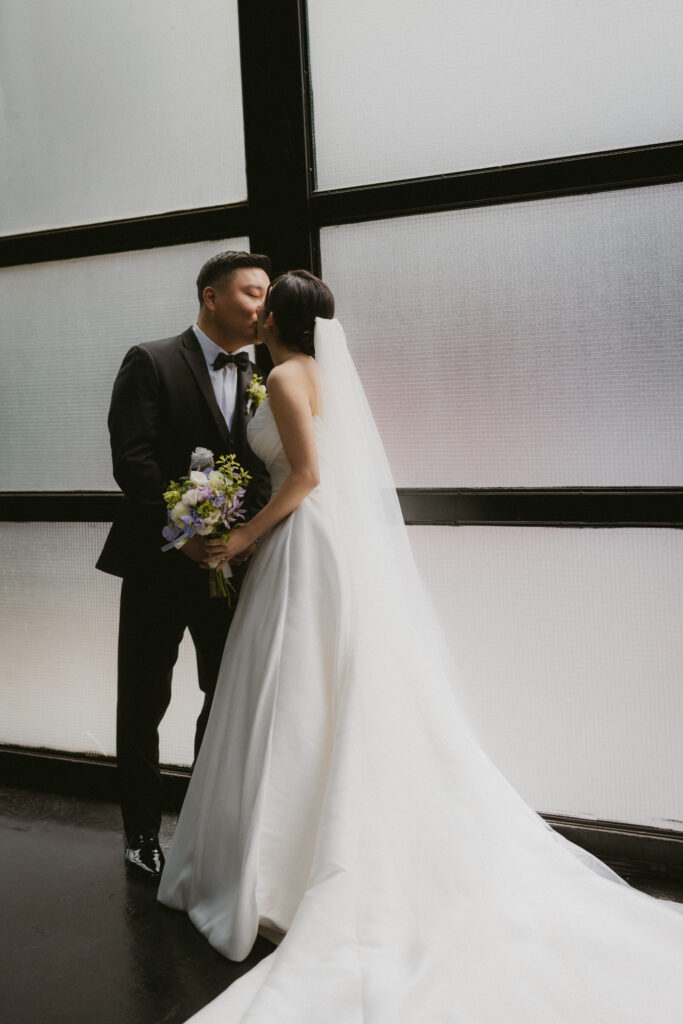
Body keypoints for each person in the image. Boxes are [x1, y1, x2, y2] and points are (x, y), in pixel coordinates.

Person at [158, 271, 683, 1023]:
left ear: (274, 316)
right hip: (320, 540)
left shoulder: (279, 380)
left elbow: (305, 474)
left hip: (301, 540)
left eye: (262, 300)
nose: (255, 307)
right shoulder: (319, 374)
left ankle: (273, 866)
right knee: (316, 685)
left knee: (291, 686)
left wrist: (236, 536)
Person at [97, 250, 272, 882]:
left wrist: (238, 533)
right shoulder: (152, 360)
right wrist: (187, 529)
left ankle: (199, 821)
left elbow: (262, 468)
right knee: (143, 703)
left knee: (223, 699)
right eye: (252, 294)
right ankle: (141, 836)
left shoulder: (265, 373)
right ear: (210, 297)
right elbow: (133, 460)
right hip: (157, 565)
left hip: (231, 569)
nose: (263, 307)